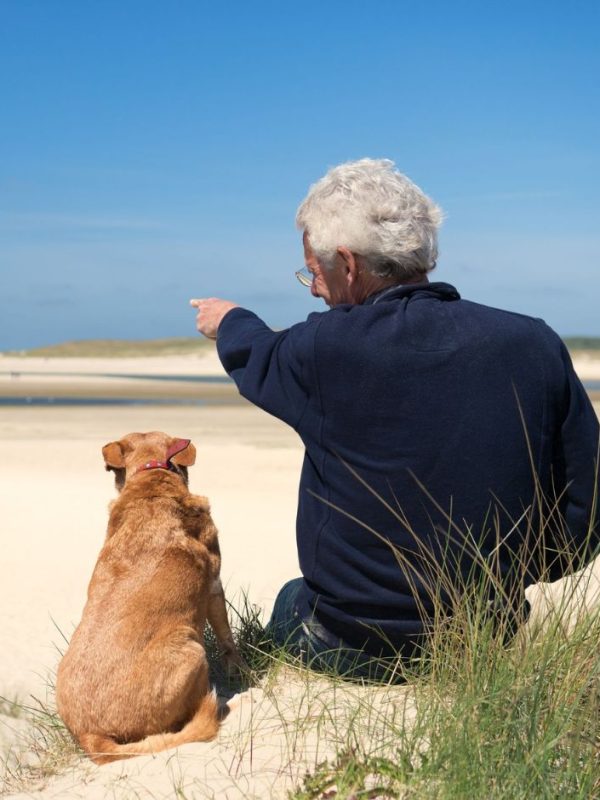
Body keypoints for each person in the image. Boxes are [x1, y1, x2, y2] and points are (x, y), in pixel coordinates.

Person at [190, 158, 600, 680]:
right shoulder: (533, 342)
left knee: (293, 597)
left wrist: (228, 319)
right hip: (486, 635)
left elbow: (258, 352)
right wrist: (514, 574)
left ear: (348, 263)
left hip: (349, 643)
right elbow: (587, 502)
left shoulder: (324, 349)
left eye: (313, 273)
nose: (314, 290)